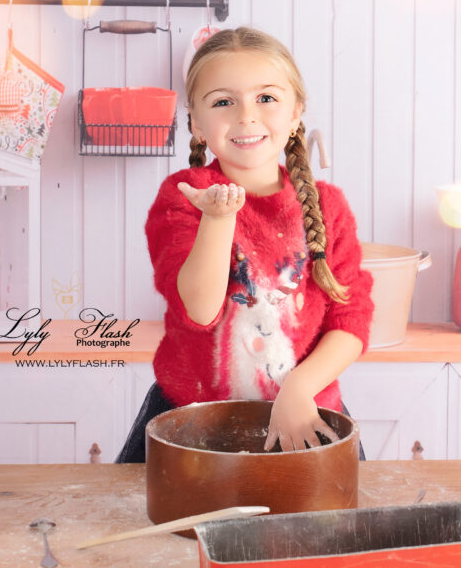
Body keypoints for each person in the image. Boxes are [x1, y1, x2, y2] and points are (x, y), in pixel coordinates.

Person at [116, 26, 373, 463]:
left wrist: (297, 389)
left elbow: (351, 321)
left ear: (296, 113)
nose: (246, 116)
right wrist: (218, 217)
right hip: (193, 426)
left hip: (304, 417)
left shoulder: (328, 207)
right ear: (196, 123)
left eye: (266, 98)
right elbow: (198, 310)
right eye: (222, 102)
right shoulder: (183, 196)